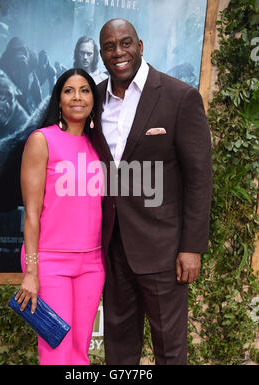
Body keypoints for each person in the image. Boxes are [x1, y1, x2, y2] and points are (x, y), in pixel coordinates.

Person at [91, 18, 212, 365]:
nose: (119, 52)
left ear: (140, 46)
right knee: (119, 349)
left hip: (164, 250)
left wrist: (192, 247)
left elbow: (199, 179)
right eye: (110, 47)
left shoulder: (179, 97)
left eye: (125, 43)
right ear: (102, 54)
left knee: (170, 351)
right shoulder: (95, 99)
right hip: (113, 250)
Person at [15, 68, 105, 365]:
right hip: (50, 262)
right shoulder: (42, 140)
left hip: (92, 263)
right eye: (69, 90)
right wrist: (31, 271)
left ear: (94, 98)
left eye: (84, 90)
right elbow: (31, 212)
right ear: (59, 99)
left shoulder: (100, 146)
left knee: (80, 352)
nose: (77, 96)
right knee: (56, 351)